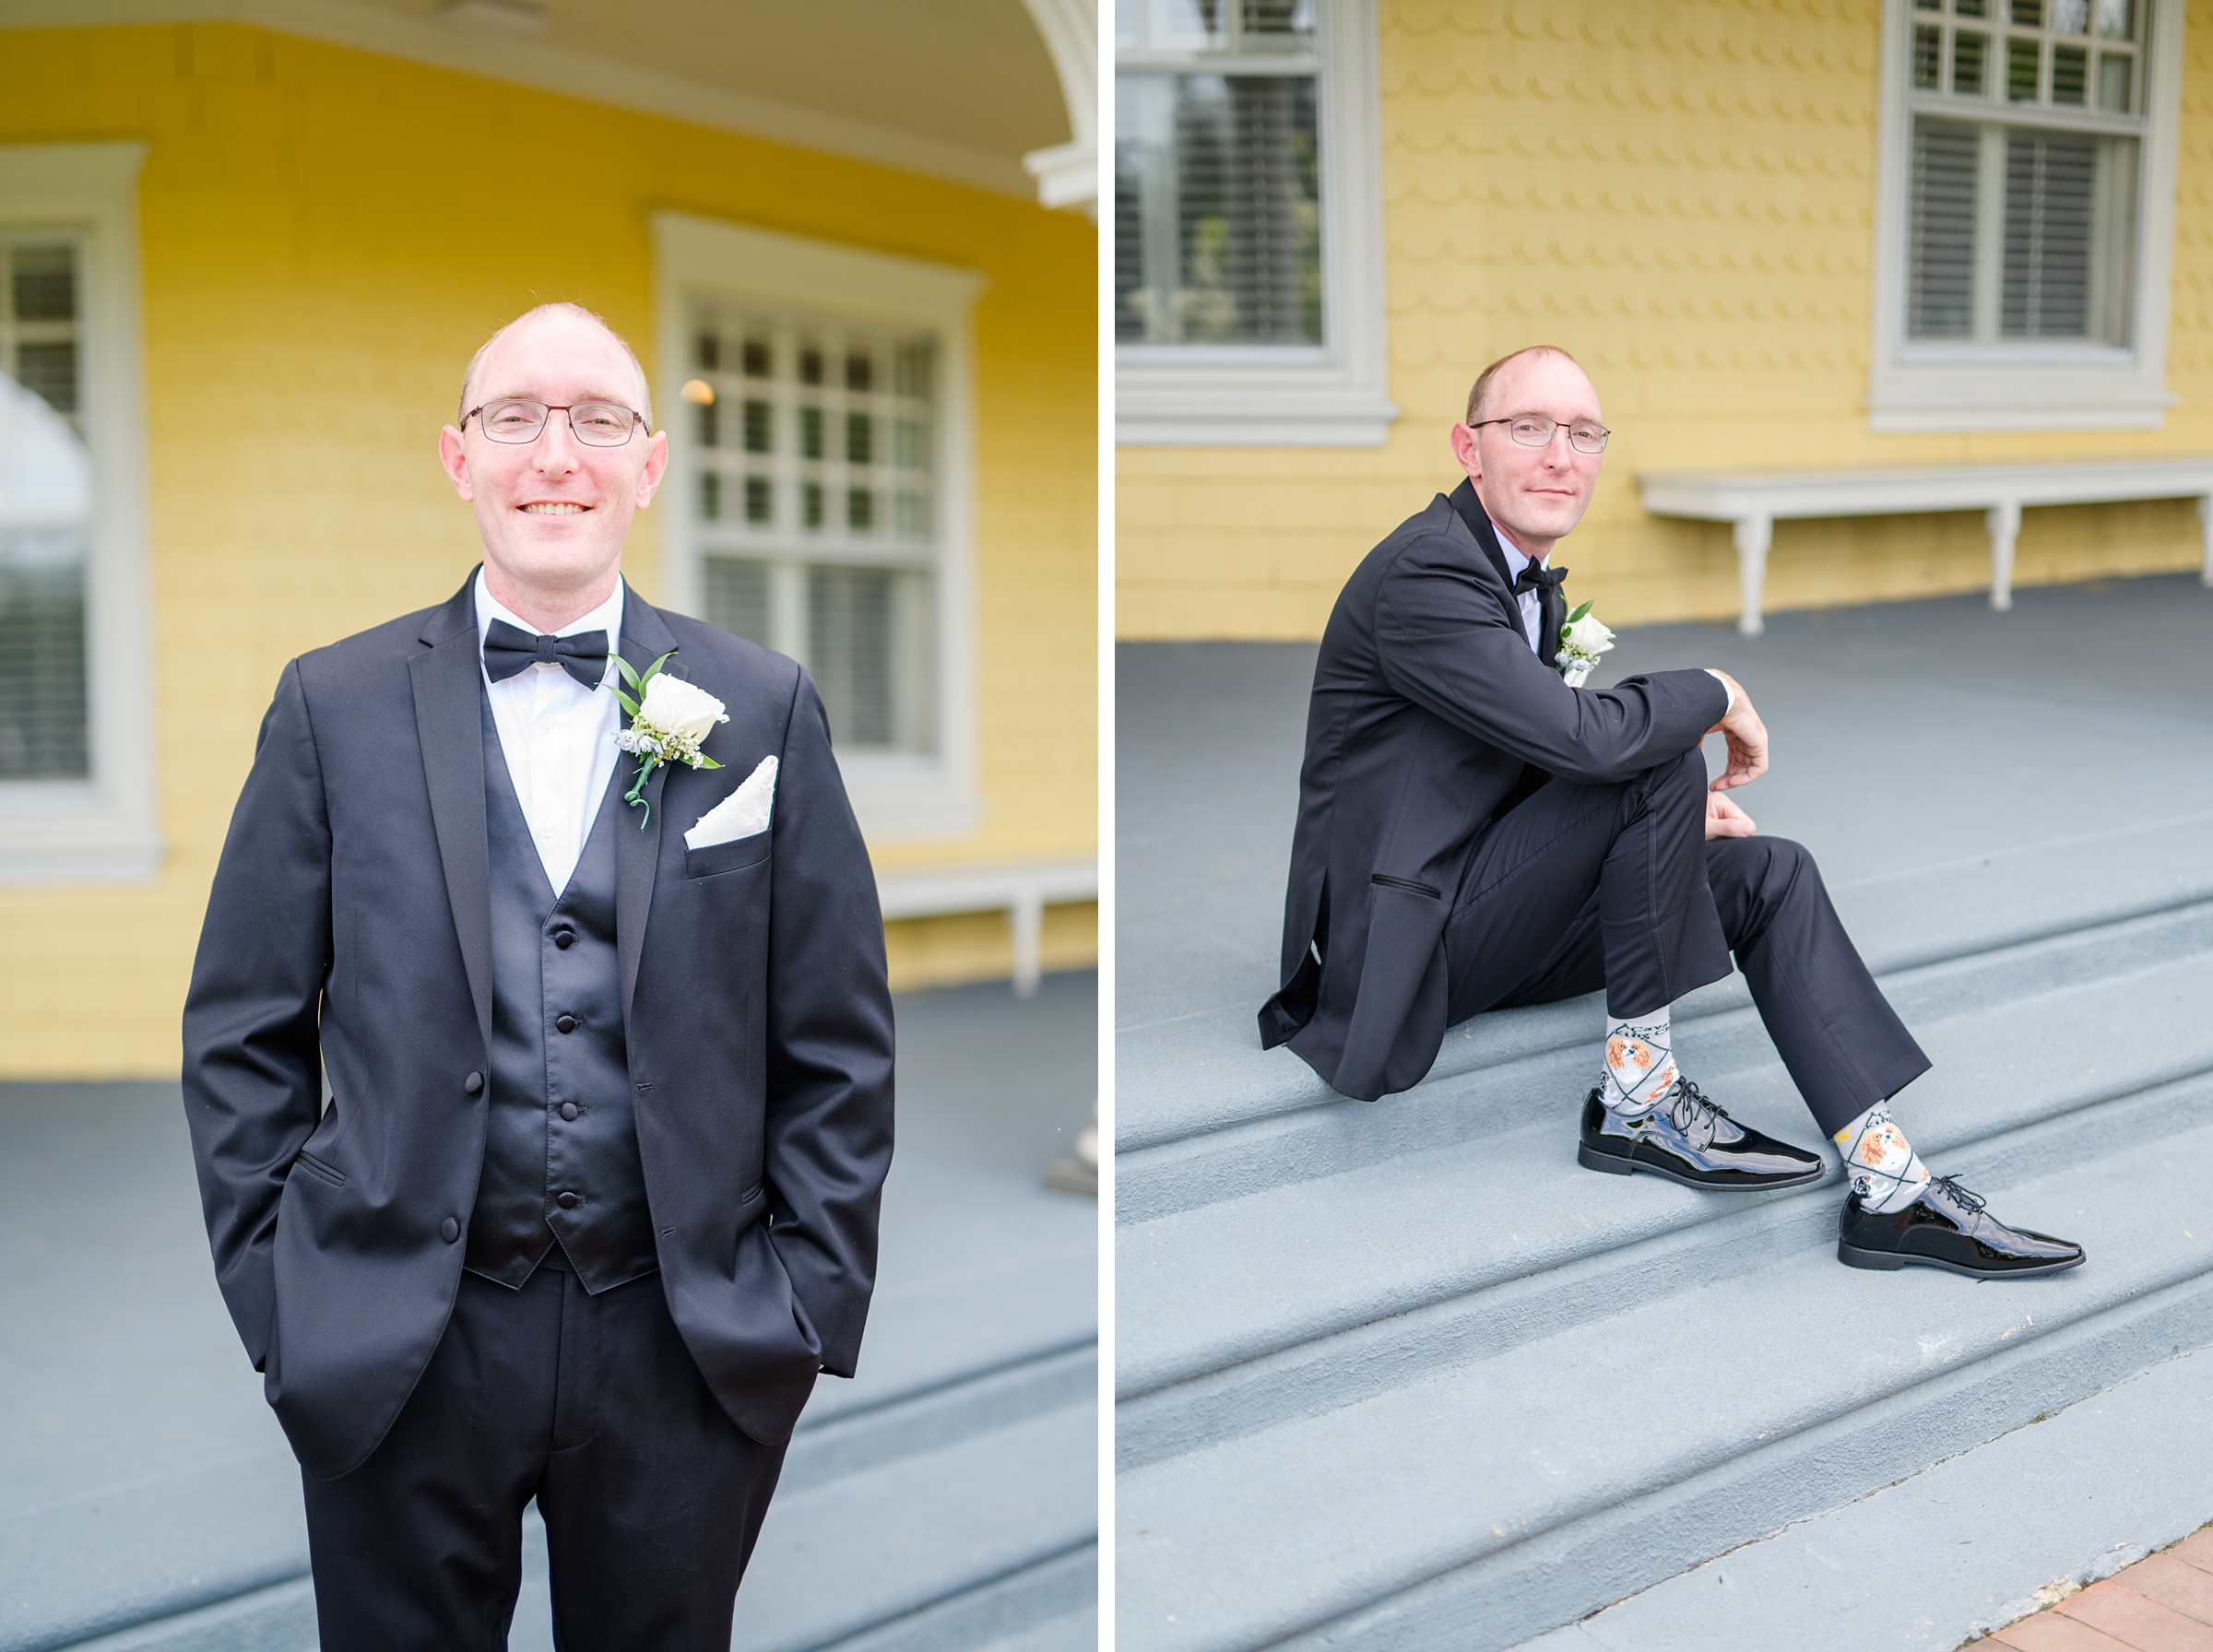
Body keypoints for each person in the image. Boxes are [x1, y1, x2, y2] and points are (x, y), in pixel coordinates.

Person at [181, 301, 894, 1648]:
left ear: (649, 465)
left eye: (597, 420)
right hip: (400, 1330)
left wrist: (803, 1300)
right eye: (517, 417)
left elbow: (838, 1037)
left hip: (684, 1337)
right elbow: (243, 1028)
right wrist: (287, 1299)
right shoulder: (328, 706)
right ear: (460, 459)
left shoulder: (760, 705)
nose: (554, 454)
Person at [1258, 343, 2079, 1281]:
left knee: (1771, 870)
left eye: (1583, 434)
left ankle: (1889, 1186)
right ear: (1467, 447)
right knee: (1654, 756)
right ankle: (1639, 1099)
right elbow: (1585, 744)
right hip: (1403, 941)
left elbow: (1520, 762)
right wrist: (1717, 688)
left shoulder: (1518, 574)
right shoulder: (1426, 575)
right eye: (1527, 428)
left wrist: (1662, 823)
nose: (1559, 456)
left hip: (1476, 896)